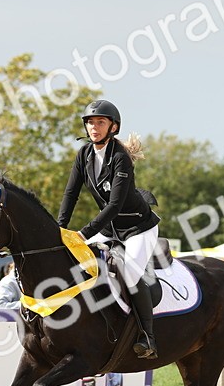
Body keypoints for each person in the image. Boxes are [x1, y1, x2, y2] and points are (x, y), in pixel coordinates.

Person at [57, 99, 161, 358]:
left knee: (131, 274)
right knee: (78, 261)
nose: (94, 127)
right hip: (111, 228)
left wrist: (83, 234)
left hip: (138, 227)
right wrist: (60, 229)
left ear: (113, 127)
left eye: (100, 122)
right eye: (90, 122)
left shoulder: (120, 157)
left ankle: (148, 337)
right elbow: (71, 194)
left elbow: (114, 205)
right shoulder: (84, 154)